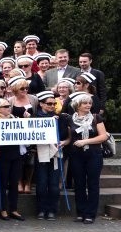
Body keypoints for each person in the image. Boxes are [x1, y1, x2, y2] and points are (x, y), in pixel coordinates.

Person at [68, 93, 108, 224]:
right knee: (79, 184)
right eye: (85, 103)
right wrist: (63, 142)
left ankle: (90, 214)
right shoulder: (70, 119)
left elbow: (103, 136)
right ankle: (81, 212)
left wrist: (86, 141)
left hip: (94, 155)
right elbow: (70, 137)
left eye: (89, 103)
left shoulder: (96, 118)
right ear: (77, 105)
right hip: (76, 155)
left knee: (92, 184)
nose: (88, 105)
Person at [33, 91, 70, 221]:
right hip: (41, 153)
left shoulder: (61, 118)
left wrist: (64, 142)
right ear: (41, 104)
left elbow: (68, 137)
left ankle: (52, 210)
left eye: (54, 103)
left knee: (54, 184)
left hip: (56, 154)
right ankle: (41, 209)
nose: (52, 106)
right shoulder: (34, 118)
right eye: (49, 103)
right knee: (42, 183)